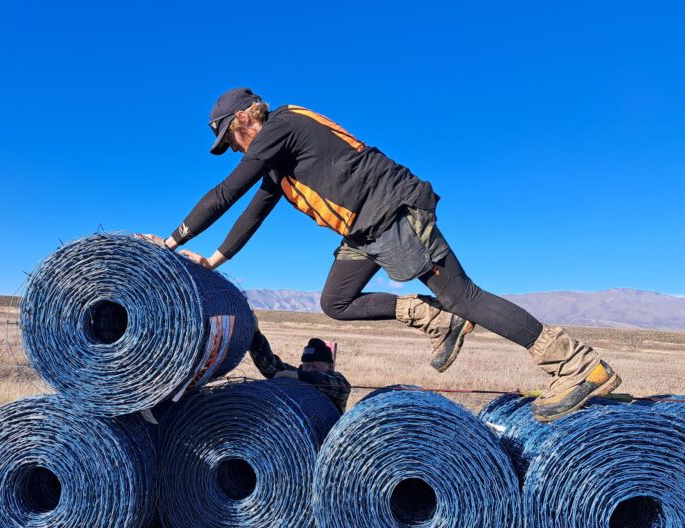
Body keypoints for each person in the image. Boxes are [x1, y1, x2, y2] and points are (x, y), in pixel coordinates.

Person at [158, 87, 621, 422]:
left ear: (243, 121)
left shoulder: (280, 125)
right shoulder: (277, 161)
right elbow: (252, 214)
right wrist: (212, 262)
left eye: (230, 140)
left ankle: (579, 366)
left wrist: (171, 243)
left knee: (464, 295)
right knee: (334, 302)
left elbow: (226, 193)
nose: (235, 148)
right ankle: (441, 321)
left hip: (392, 210)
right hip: (365, 229)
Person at [249, 327, 350, 414]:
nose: (309, 369)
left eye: (314, 366)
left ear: (330, 366)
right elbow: (270, 366)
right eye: (306, 366)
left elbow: (327, 382)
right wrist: (254, 334)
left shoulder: (339, 383)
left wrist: (298, 376)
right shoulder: (299, 374)